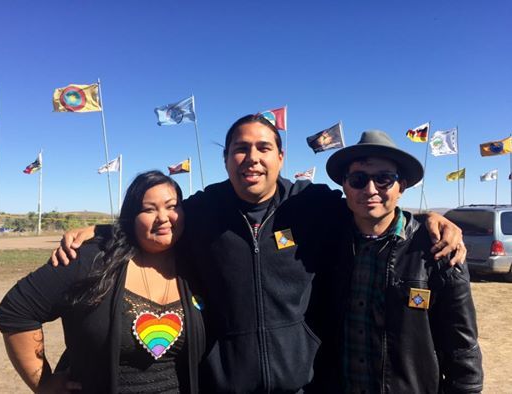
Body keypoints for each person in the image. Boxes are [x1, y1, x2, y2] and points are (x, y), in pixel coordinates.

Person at [50, 115, 466, 392]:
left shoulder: (313, 205)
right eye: (241, 149)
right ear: (227, 158)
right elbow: (156, 224)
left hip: (303, 385)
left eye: (264, 148)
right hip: (225, 385)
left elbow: (373, 207)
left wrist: (430, 218)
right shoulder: (202, 211)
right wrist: (106, 230)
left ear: (280, 157)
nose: (252, 158)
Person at [0, 171, 205, 393]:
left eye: (172, 206)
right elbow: (17, 309)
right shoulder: (94, 259)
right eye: (148, 209)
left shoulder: (197, 264)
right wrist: (43, 382)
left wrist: (99, 228)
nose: (163, 217)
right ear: (131, 216)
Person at [311, 130, 483, 393]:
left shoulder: (438, 249)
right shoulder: (327, 242)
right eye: (358, 179)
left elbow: (462, 347)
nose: (370, 190)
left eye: (383, 179)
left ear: (401, 186)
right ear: (345, 186)